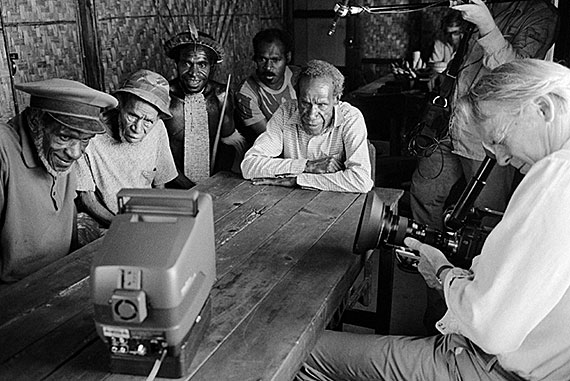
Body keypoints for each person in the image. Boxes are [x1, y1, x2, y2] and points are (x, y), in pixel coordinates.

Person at [296, 58, 570, 381]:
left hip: (484, 366)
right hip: (511, 362)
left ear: (543, 109)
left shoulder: (558, 175)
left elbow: (491, 328)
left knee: (301, 353)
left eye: (499, 139)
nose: (504, 158)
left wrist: (442, 273)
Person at [410, 0, 558, 335]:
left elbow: (520, 73)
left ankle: (467, 321)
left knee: (481, 228)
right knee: (422, 196)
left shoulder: (542, 14)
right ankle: (434, 308)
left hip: (490, 137)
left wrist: (488, 27)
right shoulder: (485, 5)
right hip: (449, 124)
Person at [0, 78, 117, 282]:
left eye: (85, 140)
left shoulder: (59, 155)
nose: (75, 153)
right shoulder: (3, 150)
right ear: (36, 122)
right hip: (15, 292)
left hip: (61, 273)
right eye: (64, 137)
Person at [241, 59, 373, 193]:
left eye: (321, 104)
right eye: (305, 103)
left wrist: (297, 180)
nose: (311, 114)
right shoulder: (286, 112)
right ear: (297, 97)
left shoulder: (350, 118)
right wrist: (307, 166)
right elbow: (249, 166)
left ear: (336, 99)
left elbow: (361, 180)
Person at [74, 69, 177, 228]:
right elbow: (88, 199)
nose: (137, 127)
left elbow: (160, 185)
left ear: (157, 119)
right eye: (132, 116)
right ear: (120, 104)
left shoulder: (158, 129)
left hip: (148, 219)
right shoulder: (89, 136)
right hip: (107, 223)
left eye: (148, 121)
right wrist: (124, 225)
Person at [164, 26, 246, 189]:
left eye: (202, 64)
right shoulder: (164, 97)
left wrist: (215, 183)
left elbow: (230, 145)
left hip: (216, 185)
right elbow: (158, 154)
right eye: (187, 63)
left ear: (212, 66)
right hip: (172, 185)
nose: (194, 73)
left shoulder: (221, 95)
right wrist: (190, 188)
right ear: (176, 63)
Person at [235, 28, 300, 146]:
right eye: (262, 59)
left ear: (288, 58)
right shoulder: (246, 94)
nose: (268, 67)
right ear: (255, 58)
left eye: (275, 60)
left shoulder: (298, 78)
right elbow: (269, 139)